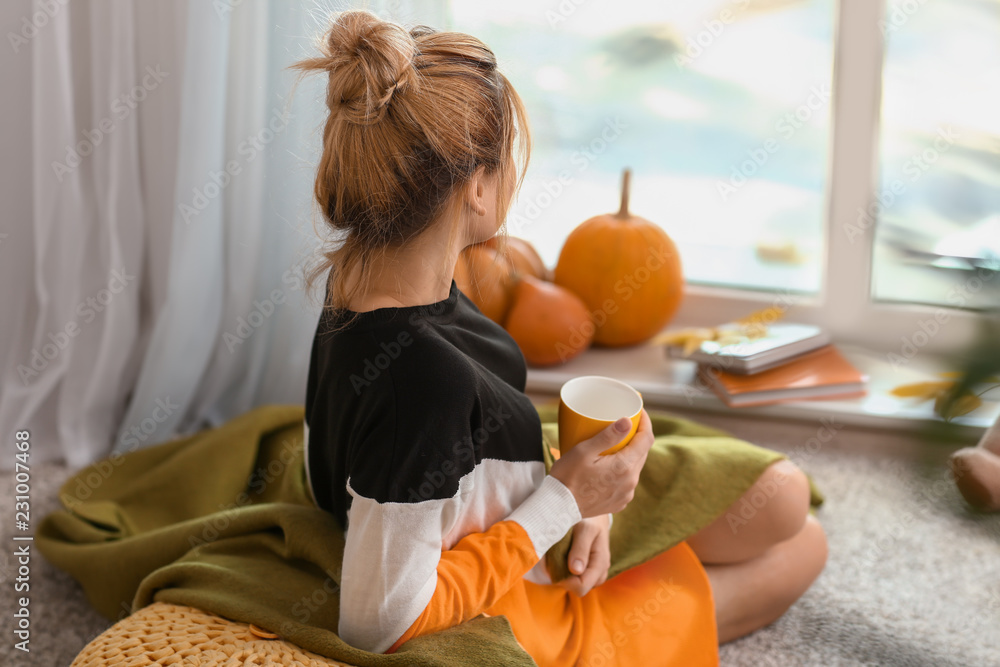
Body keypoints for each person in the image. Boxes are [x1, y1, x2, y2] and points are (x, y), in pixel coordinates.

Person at [294, 10, 827, 665]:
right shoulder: (420, 381)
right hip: (515, 584)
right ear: (479, 188)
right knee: (804, 542)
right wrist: (564, 502)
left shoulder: (372, 277)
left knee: (784, 502)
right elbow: (375, 624)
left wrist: (585, 505)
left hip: (526, 501)